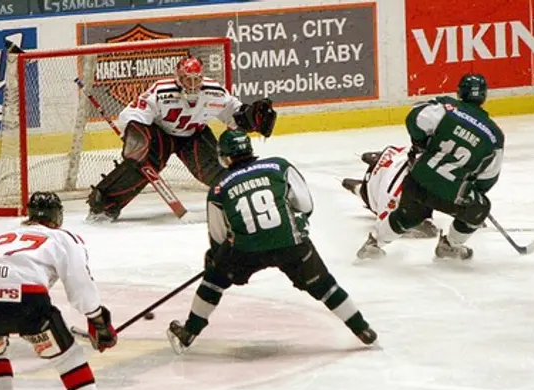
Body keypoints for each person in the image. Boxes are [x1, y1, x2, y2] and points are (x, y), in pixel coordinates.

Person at [166, 129, 377, 354]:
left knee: (213, 282)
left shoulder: (219, 188)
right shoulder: (279, 166)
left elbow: (218, 238)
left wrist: (215, 260)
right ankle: (362, 329)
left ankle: (189, 333)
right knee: (324, 285)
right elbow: (305, 206)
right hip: (291, 244)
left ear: (225, 156)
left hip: (244, 252)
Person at [87, 55, 277, 222]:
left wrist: (249, 116)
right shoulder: (161, 91)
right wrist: (138, 136)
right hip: (161, 134)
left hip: (194, 136)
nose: (193, 85)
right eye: (187, 79)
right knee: (141, 166)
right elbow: (132, 113)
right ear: (178, 79)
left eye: (197, 79)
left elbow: (233, 112)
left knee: (215, 170)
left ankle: (239, 196)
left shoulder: (213, 92)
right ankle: (104, 203)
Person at [0, 191, 117, 390]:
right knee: (68, 357)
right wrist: (98, 320)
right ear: (57, 216)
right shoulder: (63, 237)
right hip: (28, 299)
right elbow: (80, 284)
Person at [356, 73, 504, 260]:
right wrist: (471, 187)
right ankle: (450, 246)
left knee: (407, 216)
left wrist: (420, 144)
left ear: (460, 92)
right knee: (480, 208)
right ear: (484, 96)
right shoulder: (494, 136)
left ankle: (374, 245)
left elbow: (414, 119)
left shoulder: (447, 108)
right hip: (452, 194)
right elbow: (488, 180)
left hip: (418, 180)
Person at [341, 145, 439, 238]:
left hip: (388, 161)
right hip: (372, 192)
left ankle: (367, 177)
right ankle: (360, 189)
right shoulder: (394, 193)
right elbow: (384, 224)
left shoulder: (414, 159)